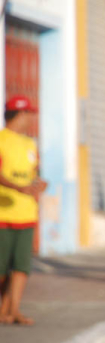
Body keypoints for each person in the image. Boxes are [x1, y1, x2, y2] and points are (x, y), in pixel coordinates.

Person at [0, 95, 47, 325]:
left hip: (26, 214)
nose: (30, 118)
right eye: (27, 113)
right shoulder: (1, 140)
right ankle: (3, 309)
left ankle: (13, 310)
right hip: (3, 215)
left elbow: (33, 174)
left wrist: (39, 184)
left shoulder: (30, 144)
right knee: (1, 266)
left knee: (21, 266)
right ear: (17, 114)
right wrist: (18, 187)